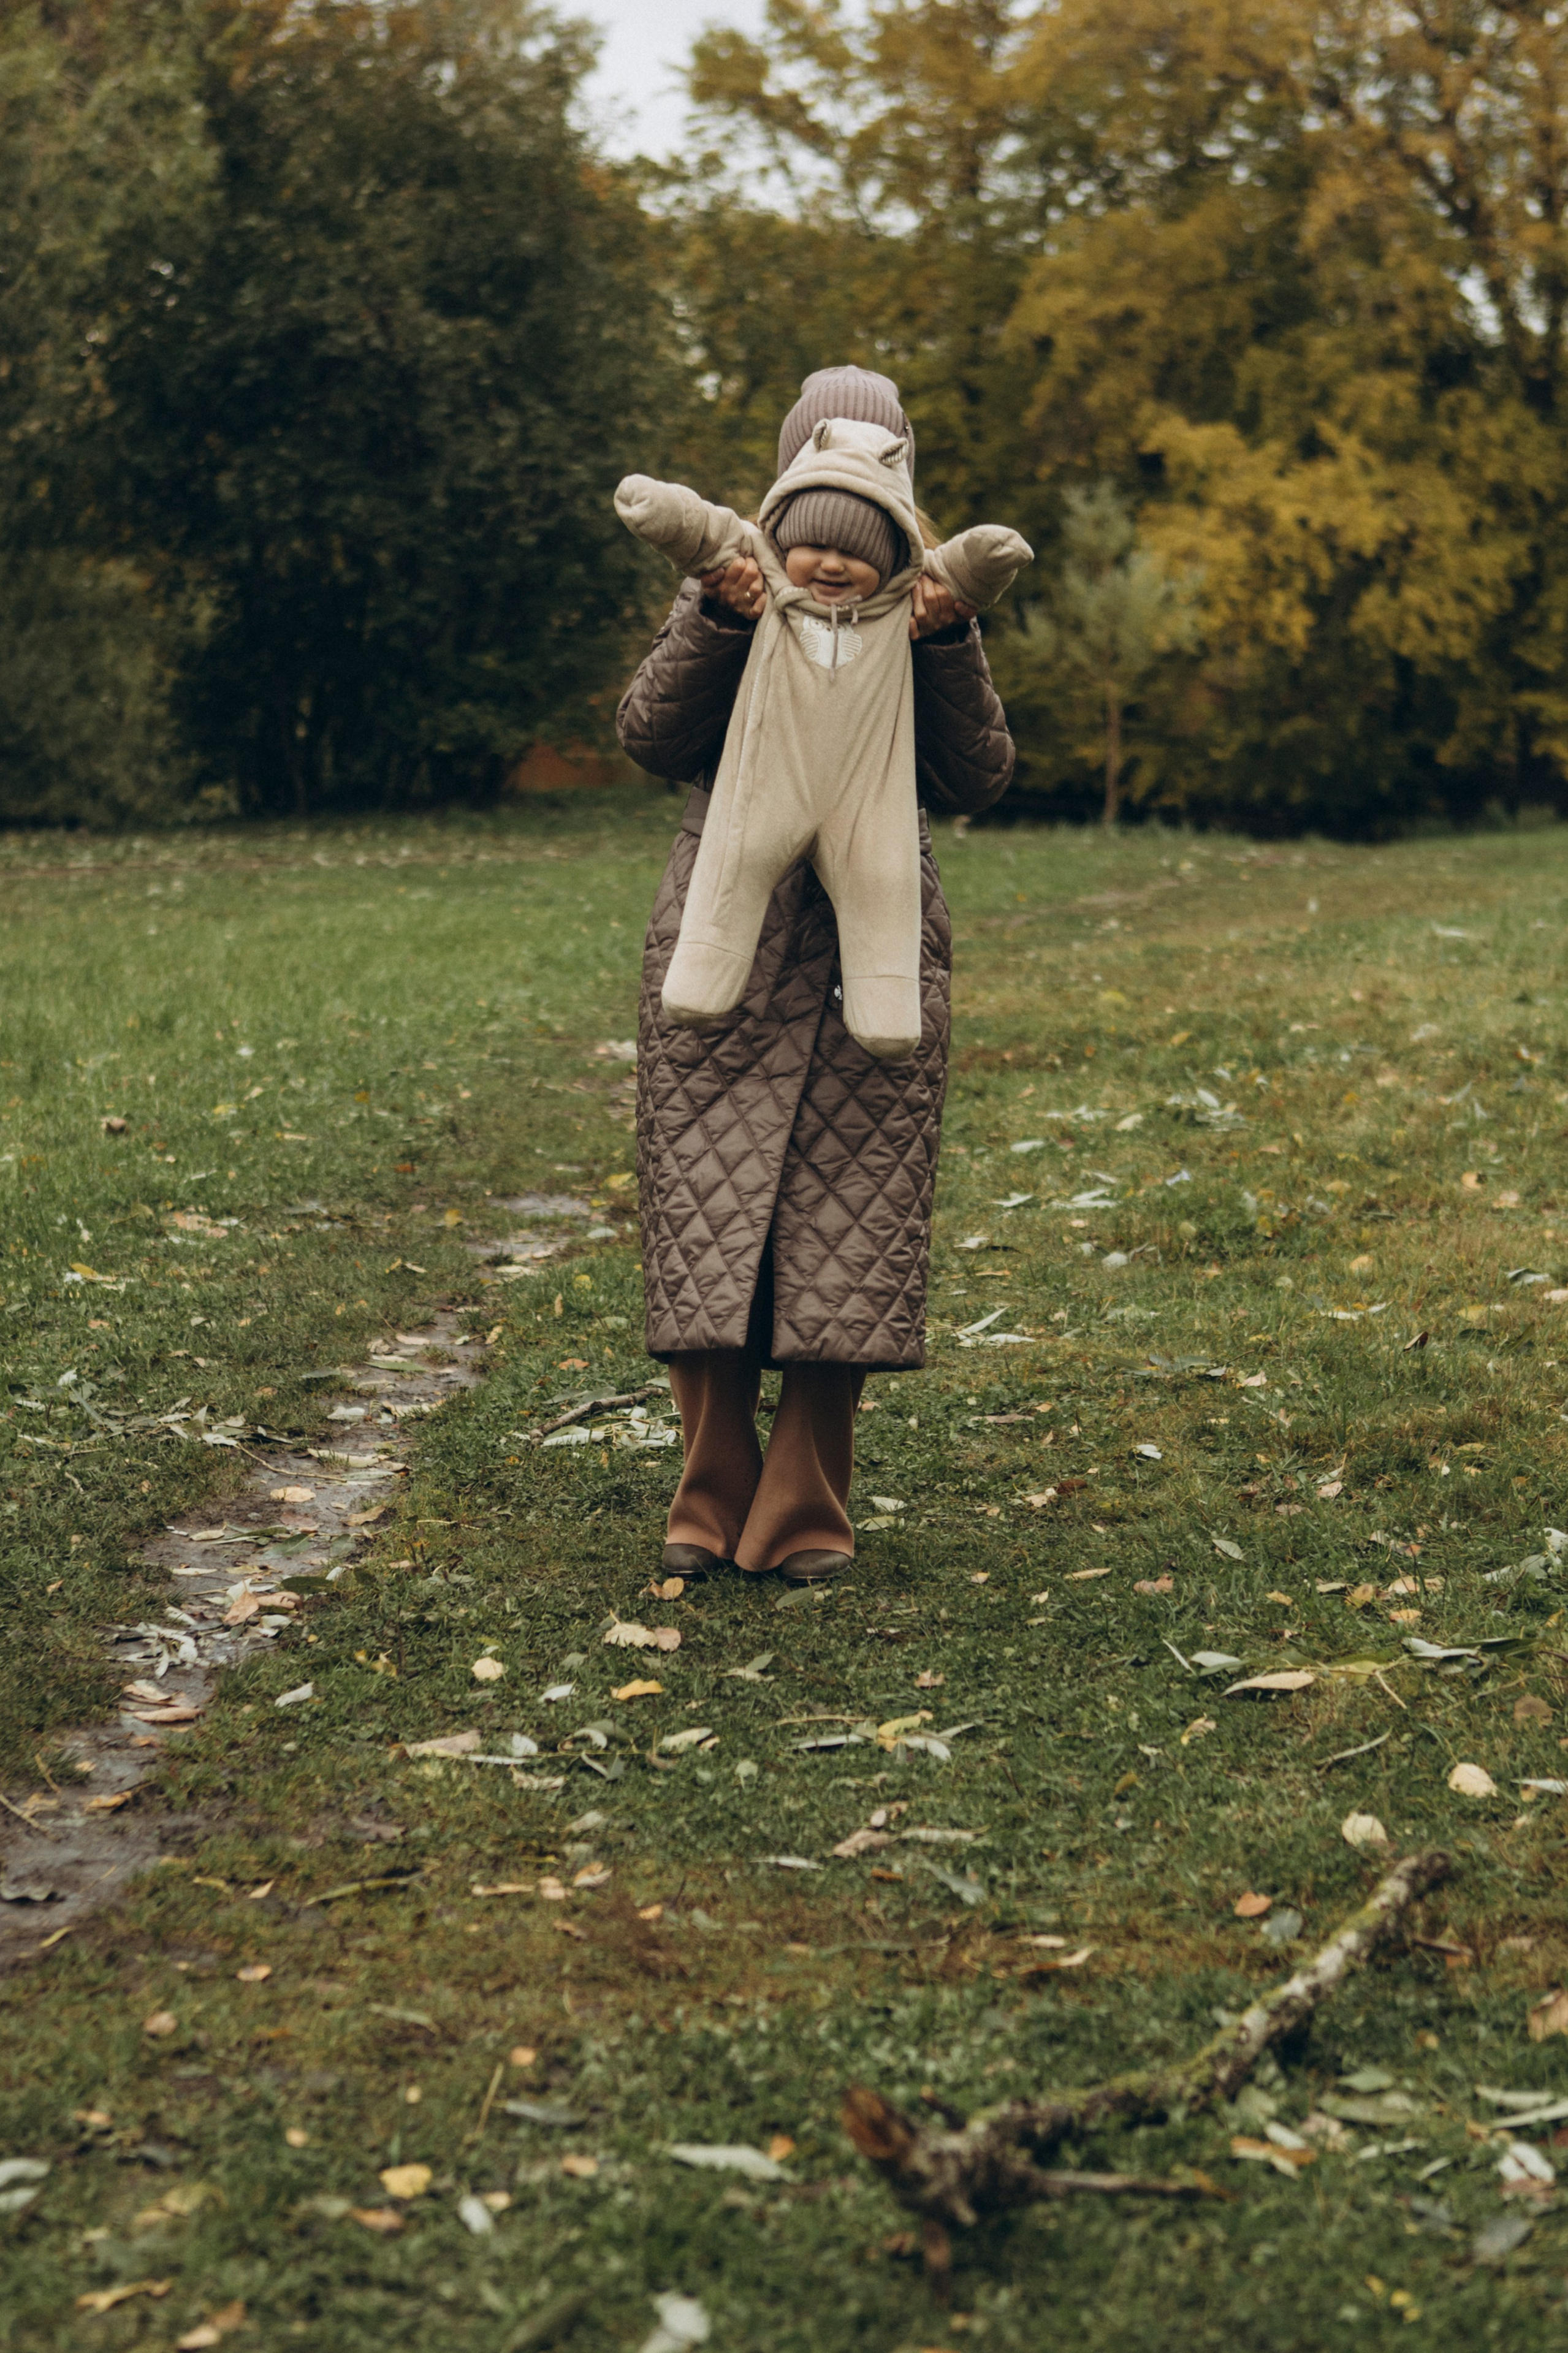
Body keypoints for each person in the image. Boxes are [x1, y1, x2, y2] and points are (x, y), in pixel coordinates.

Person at [616, 365, 1017, 1586]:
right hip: (721, 950)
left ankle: (805, 1503)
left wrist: (948, 646)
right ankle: (708, 1488)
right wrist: (719, 613)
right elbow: (649, 732)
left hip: (872, 958)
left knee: (846, 1230)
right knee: (707, 1218)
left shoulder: (925, 614)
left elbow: (976, 774)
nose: (831, 563)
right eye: (811, 538)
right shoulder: (738, 593)